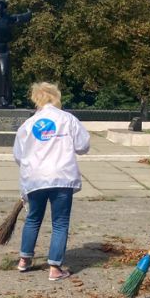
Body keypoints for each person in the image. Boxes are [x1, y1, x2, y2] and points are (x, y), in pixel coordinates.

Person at [13, 82, 91, 281]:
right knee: (60, 222)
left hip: (35, 177)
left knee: (33, 218)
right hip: (61, 176)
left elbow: (19, 155)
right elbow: (83, 146)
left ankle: (24, 259)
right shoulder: (68, 119)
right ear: (56, 97)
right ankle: (55, 267)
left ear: (36, 99)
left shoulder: (28, 124)